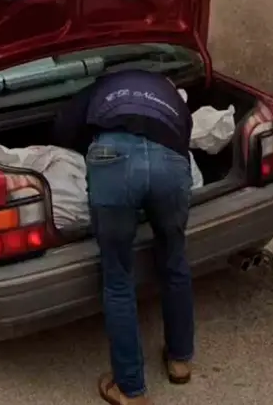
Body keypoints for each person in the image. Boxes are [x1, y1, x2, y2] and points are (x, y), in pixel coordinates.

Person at [53, 68, 194, 405]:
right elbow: (185, 136)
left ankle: (130, 389)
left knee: (118, 278)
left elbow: (62, 128)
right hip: (170, 163)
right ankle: (180, 360)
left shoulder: (100, 87)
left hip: (111, 158)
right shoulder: (168, 90)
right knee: (174, 258)